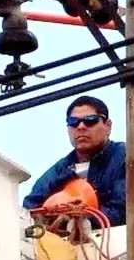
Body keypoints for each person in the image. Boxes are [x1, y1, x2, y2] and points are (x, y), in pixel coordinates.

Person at [21, 96, 127, 227]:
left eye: (90, 120)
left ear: (108, 126)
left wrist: (82, 218)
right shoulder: (61, 169)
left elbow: (126, 210)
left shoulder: (125, 156)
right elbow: (29, 209)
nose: (81, 127)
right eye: (73, 122)